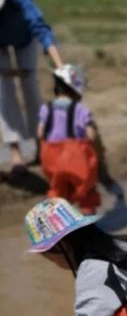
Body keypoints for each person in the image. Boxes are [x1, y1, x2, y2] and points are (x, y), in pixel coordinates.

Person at [0, 0, 63, 179]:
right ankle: (15, 153)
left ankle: (41, 146)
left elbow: (40, 27)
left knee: (30, 88)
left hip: (23, 35)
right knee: (3, 92)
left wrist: (60, 67)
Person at [37, 64, 101, 214]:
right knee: (86, 192)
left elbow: (40, 133)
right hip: (77, 159)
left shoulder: (46, 108)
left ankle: (62, 229)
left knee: (59, 195)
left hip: (52, 160)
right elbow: (91, 135)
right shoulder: (80, 109)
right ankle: (88, 226)